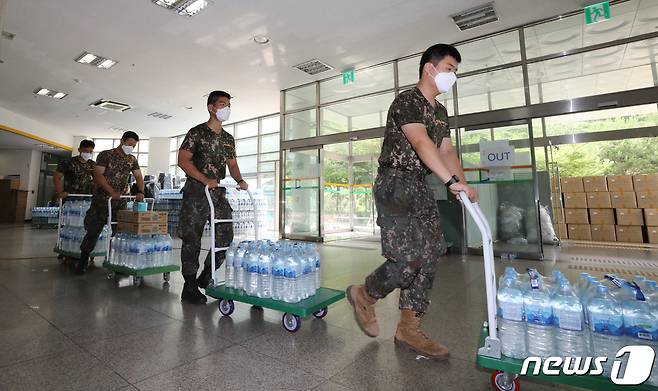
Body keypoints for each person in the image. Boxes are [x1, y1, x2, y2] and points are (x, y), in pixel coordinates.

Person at [346, 44, 478, 360]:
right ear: (429, 68)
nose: (453, 75)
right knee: (406, 259)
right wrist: (449, 181)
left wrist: (461, 184)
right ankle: (365, 293)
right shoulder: (407, 101)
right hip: (394, 183)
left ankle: (409, 328)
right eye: (449, 67)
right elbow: (419, 142)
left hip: (419, 184)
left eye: (456, 70)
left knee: (432, 251)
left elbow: (446, 151)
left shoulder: (441, 112)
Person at [177, 90, 248, 304]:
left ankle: (206, 275)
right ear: (211, 107)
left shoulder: (228, 139)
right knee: (192, 238)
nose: (226, 108)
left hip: (217, 193)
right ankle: (189, 286)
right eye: (222, 104)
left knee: (225, 234)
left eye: (228, 105)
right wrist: (203, 178)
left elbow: (232, 165)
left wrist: (240, 180)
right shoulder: (197, 132)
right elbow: (183, 160)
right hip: (196, 191)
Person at [77, 131, 144, 275]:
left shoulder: (132, 159)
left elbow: (138, 176)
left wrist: (141, 191)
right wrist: (111, 192)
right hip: (102, 199)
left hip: (120, 202)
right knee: (94, 229)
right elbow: (98, 175)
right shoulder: (106, 155)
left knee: (120, 232)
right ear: (122, 141)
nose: (130, 147)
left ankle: (117, 262)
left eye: (133, 146)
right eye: (129, 144)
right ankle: (83, 259)